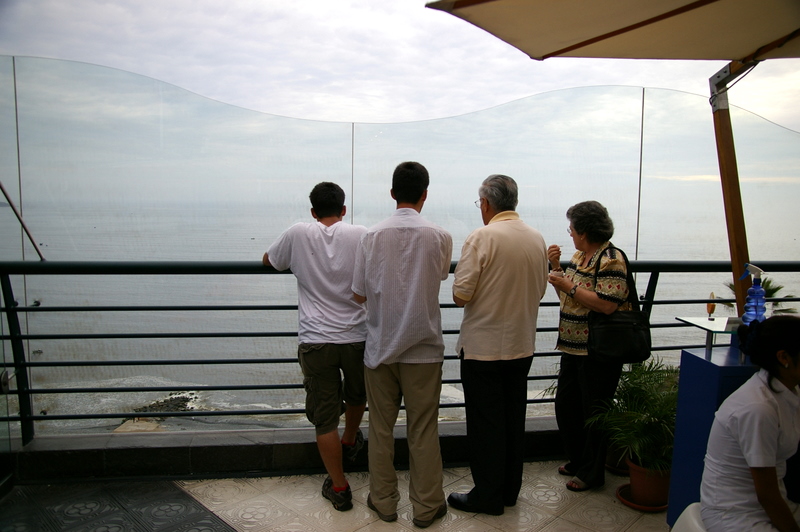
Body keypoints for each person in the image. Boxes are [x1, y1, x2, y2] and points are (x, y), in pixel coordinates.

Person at [352, 161, 452, 529]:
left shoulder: (371, 236)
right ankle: (426, 507)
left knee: (381, 429)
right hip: (424, 349)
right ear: (425, 194)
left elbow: (358, 294)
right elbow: (440, 276)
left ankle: (384, 502)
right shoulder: (440, 236)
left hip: (380, 348)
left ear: (392, 193)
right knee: (423, 429)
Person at [447, 174, 549, 516]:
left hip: (483, 348)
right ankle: (509, 491)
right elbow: (540, 290)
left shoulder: (482, 237)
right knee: (512, 419)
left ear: (487, 203)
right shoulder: (536, 238)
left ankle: (487, 496)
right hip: (522, 344)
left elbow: (461, 295)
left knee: (485, 425)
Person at [263, 182, 367, 512]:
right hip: (356, 335)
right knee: (357, 393)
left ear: (312, 211)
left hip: (316, 339)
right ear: (344, 209)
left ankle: (339, 487)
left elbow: (270, 260)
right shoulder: (362, 234)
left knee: (324, 418)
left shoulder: (298, 233)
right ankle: (350, 439)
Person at [547, 200, 631, 492]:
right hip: (572, 346)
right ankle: (578, 459)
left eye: (572, 228)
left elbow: (607, 304)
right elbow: (569, 299)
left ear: (584, 231)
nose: (570, 233)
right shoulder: (580, 256)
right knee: (567, 407)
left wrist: (568, 286)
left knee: (593, 413)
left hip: (597, 350)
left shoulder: (611, 259)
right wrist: (557, 269)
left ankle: (592, 473)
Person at [701, 315, 800, 532]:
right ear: (783, 357)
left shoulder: (788, 391)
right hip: (735, 514)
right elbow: (767, 495)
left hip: (769, 502)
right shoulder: (758, 408)